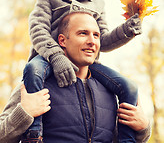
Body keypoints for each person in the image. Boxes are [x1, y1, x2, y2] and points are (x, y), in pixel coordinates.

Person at [22, 0, 142, 142]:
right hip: (49, 57)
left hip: (86, 63)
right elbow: (38, 29)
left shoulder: (96, 1)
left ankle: (126, 139)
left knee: (129, 86)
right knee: (32, 71)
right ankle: (34, 132)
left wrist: (126, 30)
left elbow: (102, 40)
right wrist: (56, 56)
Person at [0, 12, 151, 143]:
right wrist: (24, 113)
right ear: (62, 41)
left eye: (96, 35)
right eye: (83, 33)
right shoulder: (35, 87)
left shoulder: (110, 90)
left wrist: (143, 129)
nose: (92, 41)